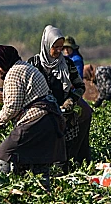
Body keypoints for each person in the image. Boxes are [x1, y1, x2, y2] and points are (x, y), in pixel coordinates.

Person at [0, 44, 66, 189]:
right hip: (49, 119)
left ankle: (2, 188)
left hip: (35, 120)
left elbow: (12, 105)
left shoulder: (14, 73)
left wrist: (0, 122)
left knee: (4, 151)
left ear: (3, 60)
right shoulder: (25, 67)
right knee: (37, 161)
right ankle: (42, 192)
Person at [28, 25, 92, 167]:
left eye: (61, 47)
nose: (59, 51)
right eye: (55, 47)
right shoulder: (33, 64)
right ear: (46, 44)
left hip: (64, 113)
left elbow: (80, 86)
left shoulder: (67, 64)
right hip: (40, 113)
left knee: (64, 151)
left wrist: (71, 100)